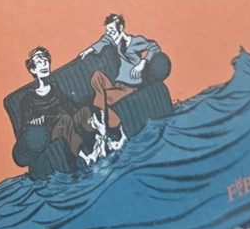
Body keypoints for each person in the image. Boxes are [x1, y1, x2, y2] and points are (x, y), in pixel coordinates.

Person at [77, 14, 160, 155]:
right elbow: (102, 42)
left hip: (130, 87)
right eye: (107, 30)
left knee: (102, 99)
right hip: (117, 86)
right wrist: (88, 51)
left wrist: (142, 63)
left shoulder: (135, 42)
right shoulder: (112, 39)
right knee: (97, 76)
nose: (109, 34)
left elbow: (154, 47)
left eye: (112, 31)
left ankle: (104, 125)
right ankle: (105, 123)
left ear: (121, 28)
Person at [18, 45, 87, 161]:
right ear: (33, 69)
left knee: (85, 111)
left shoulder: (55, 87)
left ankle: (104, 144)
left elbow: (71, 105)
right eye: (39, 62)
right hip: (50, 130)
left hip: (66, 120)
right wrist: (34, 123)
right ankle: (83, 156)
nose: (44, 65)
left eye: (45, 61)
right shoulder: (28, 98)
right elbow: (25, 126)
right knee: (65, 120)